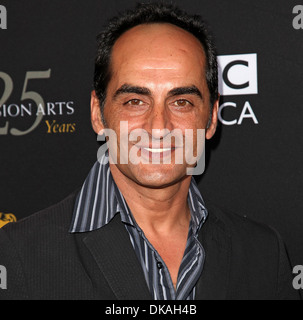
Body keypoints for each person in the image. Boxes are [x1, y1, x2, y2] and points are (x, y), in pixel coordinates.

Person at [0, 2, 300, 300]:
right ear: (97, 113)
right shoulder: (17, 256)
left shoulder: (264, 254)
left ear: (210, 118)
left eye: (181, 102)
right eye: (135, 101)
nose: (158, 127)